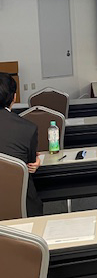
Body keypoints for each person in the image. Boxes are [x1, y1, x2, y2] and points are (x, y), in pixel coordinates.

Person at [0, 72, 43, 216]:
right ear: (14, 97)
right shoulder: (28, 128)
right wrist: (36, 161)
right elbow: (30, 165)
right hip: (19, 203)